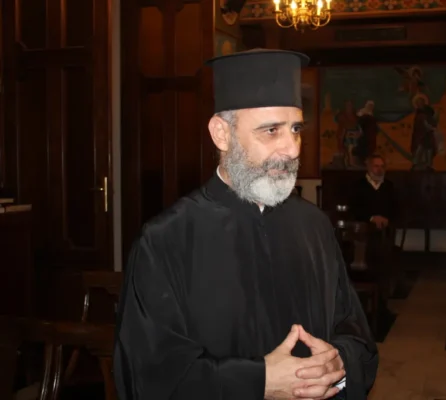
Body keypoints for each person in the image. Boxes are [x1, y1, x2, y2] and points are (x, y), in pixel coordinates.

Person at [113, 49, 378, 400]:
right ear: (221, 134)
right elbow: (148, 375)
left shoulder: (314, 226)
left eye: (296, 129)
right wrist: (259, 381)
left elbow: (355, 333)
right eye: (271, 130)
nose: (292, 149)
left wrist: (338, 362)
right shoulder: (166, 241)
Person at [350, 154, 395, 229]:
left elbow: (395, 208)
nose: (380, 170)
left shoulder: (389, 185)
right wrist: (371, 218)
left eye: (382, 166)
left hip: (386, 229)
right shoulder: (358, 185)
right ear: (369, 167)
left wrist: (387, 219)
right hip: (362, 229)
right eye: (376, 166)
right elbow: (354, 209)